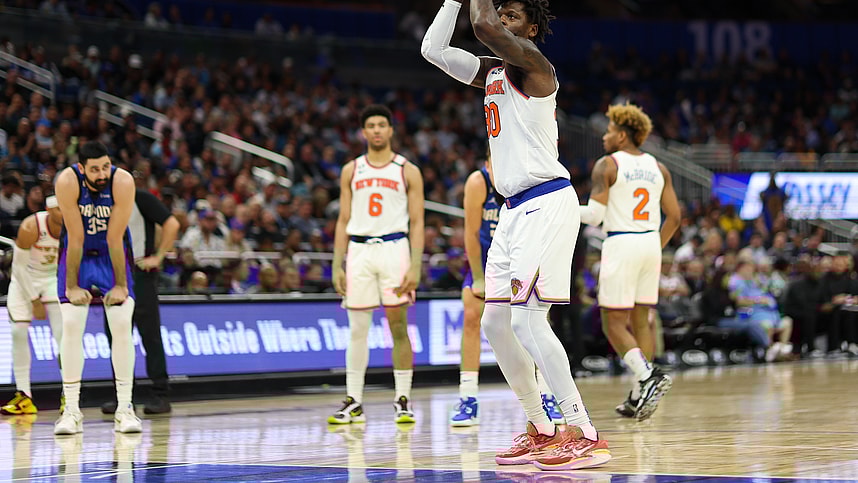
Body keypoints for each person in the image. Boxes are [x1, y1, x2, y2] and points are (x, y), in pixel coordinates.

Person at [422, 0, 609, 470]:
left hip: (546, 200)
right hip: (511, 209)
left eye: (513, 15)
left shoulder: (535, 65)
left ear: (530, 28)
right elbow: (432, 49)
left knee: (528, 321)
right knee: (495, 324)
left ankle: (582, 429)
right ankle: (540, 428)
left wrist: (482, 9)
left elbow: (483, 25)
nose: (502, 18)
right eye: (500, 11)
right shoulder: (491, 72)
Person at [579, 103, 680, 420]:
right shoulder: (658, 167)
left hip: (621, 241)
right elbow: (675, 217)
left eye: (609, 131)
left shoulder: (607, 164)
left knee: (613, 322)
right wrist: (652, 245)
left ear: (622, 135)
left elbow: (594, 216)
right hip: (651, 243)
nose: (605, 136)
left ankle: (648, 377)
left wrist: (559, 208)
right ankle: (638, 396)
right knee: (642, 320)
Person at [450, 152, 564, 427]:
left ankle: (547, 394)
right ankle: (468, 396)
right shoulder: (479, 181)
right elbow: (470, 233)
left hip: (522, 258)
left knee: (537, 321)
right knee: (471, 316)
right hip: (489, 261)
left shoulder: (526, 179)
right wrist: (478, 277)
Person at [328, 104, 424, 425]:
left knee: (398, 327)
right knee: (357, 329)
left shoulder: (406, 169)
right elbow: (342, 220)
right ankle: (353, 400)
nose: (377, 130)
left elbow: (419, 222)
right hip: (359, 251)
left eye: (382, 124)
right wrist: (337, 264)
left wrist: (415, 265)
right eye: (371, 125)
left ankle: (402, 398)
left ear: (391, 129)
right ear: (363, 131)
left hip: (395, 247)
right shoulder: (351, 170)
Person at [53, 141, 141, 435]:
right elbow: (75, 237)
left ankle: (125, 408)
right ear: (82, 168)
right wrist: (72, 285)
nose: (102, 173)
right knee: (71, 323)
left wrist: (120, 285)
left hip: (111, 255)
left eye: (105, 166)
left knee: (120, 323)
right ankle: (71, 411)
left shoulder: (123, 180)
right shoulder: (67, 180)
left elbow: (115, 238)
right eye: (95, 169)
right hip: (76, 255)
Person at [101, 188, 180, 415]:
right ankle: (124, 397)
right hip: (112, 274)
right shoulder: (98, 202)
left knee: (149, 334)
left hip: (139, 273)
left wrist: (159, 256)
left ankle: (160, 394)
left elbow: (172, 223)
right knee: (115, 337)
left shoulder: (140, 198)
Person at [1, 196, 64, 415]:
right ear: (49, 209)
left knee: (63, 337)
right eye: (59, 209)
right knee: (18, 332)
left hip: (53, 279)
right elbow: (17, 268)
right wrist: (34, 300)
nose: (64, 212)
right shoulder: (31, 226)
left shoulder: (74, 226)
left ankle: (69, 395)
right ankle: (24, 396)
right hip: (24, 279)